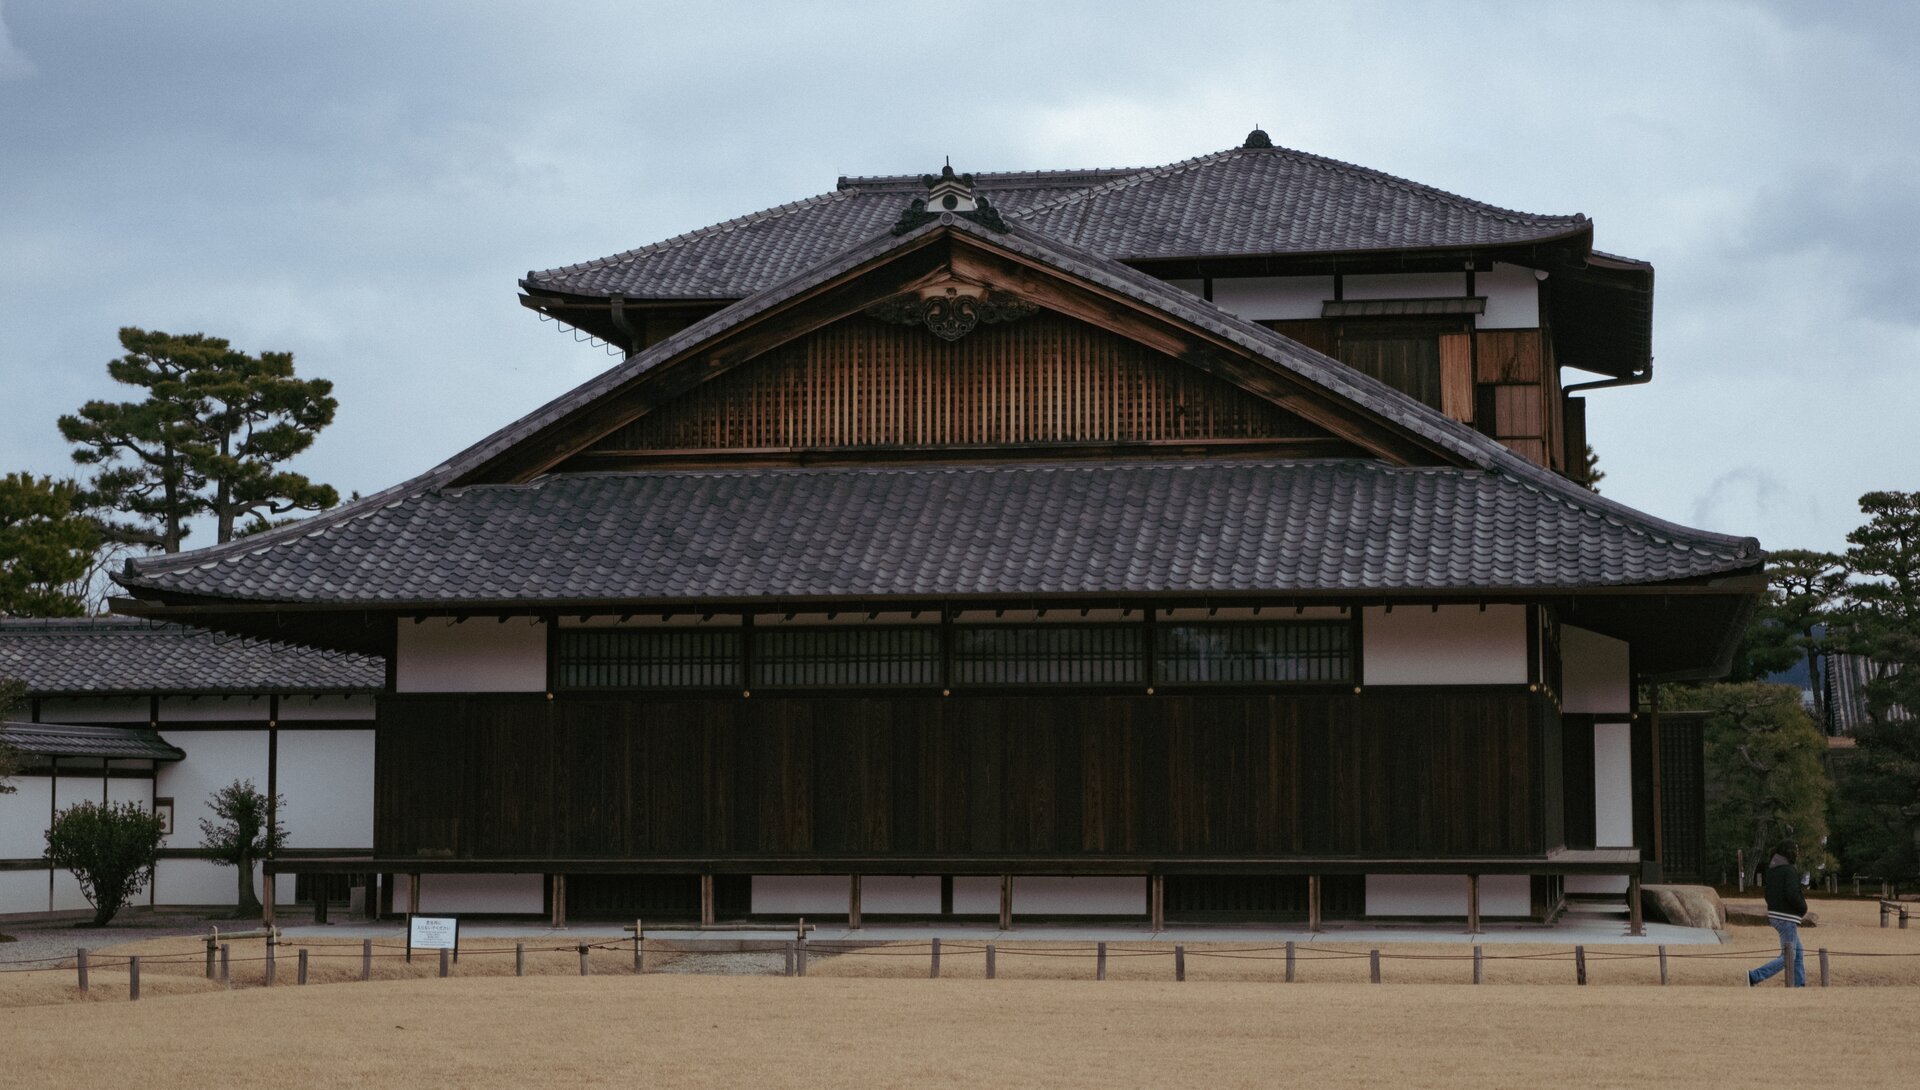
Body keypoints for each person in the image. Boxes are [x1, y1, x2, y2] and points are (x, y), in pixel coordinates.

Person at [1748, 841, 1808, 987]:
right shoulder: (1789, 870)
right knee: (1788, 956)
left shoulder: (1773, 870)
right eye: (1796, 850)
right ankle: (1754, 976)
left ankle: (1799, 984)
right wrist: (1802, 908)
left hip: (1776, 915)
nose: (1797, 853)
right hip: (1786, 917)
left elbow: (1767, 894)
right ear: (1790, 852)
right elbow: (1792, 894)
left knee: (1798, 952)